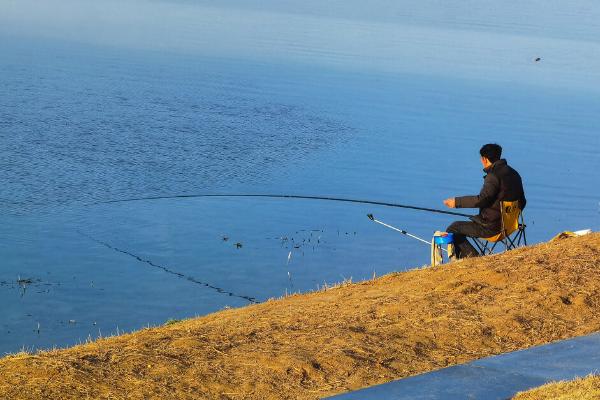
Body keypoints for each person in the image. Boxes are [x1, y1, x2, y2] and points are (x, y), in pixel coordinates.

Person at [443, 143, 526, 259]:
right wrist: (509, 217)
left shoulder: (493, 176)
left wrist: (456, 202)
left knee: (453, 228)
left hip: (493, 228)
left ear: (485, 159)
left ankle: (474, 259)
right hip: (511, 226)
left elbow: (481, 200)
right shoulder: (514, 173)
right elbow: (523, 201)